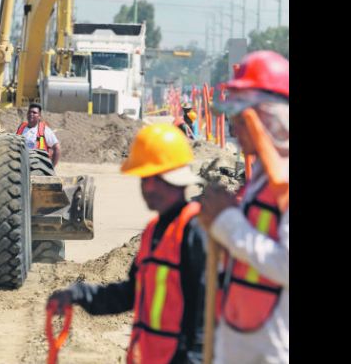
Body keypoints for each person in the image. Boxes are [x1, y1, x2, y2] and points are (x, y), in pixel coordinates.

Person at [47, 123, 208, 364]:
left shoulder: (196, 232)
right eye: (144, 179)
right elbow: (131, 294)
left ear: (176, 179)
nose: (147, 187)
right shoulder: (154, 232)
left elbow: (209, 320)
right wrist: (79, 294)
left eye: (155, 178)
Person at [198, 51, 289, 364]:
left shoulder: (285, 182)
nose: (234, 125)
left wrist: (227, 222)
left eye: (241, 114)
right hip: (240, 343)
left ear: (267, 116)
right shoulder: (263, 178)